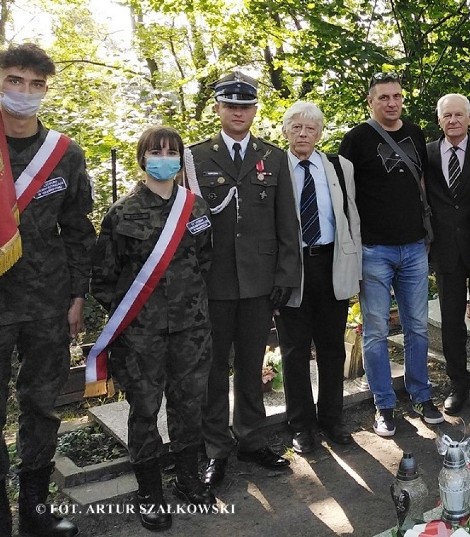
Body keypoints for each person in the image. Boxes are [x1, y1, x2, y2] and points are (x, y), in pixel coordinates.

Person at [91, 127, 215, 530]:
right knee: (144, 410)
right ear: (142, 157)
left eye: (172, 151)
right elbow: (104, 280)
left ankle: (187, 479)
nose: (165, 156)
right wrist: (137, 319)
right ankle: (149, 491)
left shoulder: (194, 208)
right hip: (141, 335)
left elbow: (206, 262)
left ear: (181, 158)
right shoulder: (122, 214)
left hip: (191, 329)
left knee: (189, 404)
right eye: (156, 150)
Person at [0, 43, 94, 537]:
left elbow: (79, 229)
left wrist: (77, 296)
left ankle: (34, 509)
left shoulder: (64, 152)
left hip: (46, 301)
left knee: (41, 404)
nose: (24, 93)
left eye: (36, 84)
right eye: (14, 80)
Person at [189, 71, 300, 487]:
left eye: (245, 105)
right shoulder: (196, 157)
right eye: (230, 105)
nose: (238, 112)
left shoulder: (273, 158)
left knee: (252, 366)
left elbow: (287, 222)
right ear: (218, 109)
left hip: (259, 284)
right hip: (213, 284)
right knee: (214, 369)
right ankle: (215, 448)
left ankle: (252, 440)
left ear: (254, 110)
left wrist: (286, 274)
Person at [339, 72, 444, 437]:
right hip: (374, 250)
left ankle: (421, 394)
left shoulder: (414, 133)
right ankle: (384, 404)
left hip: (414, 247)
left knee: (417, 327)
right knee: (376, 331)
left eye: (396, 96)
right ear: (371, 101)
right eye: (383, 97)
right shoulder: (356, 139)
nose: (391, 102)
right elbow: (344, 194)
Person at [275, 101, 361, 455]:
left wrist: (354, 269)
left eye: (310, 129)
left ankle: (332, 418)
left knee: (330, 347)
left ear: (320, 134)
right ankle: (301, 424)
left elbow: (351, 217)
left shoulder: (340, 168)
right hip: (292, 269)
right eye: (296, 128)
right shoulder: (274, 170)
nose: (303, 134)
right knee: (294, 350)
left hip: (331, 264)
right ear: (285, 132)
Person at [425, 94, 470, 416]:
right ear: (439, 120)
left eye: (458, 115)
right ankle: (458, 384)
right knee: (451, 320)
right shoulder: (426, 153)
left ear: (469, 118)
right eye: (446, 115)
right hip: (445, 249)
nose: (452, 121)